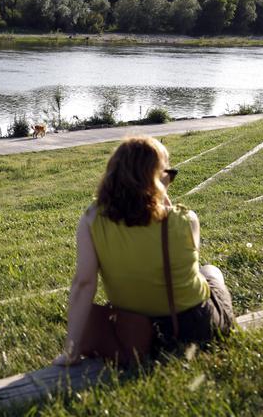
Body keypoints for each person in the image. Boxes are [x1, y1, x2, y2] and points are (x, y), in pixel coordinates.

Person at [54, 136, 235, 366]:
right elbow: (184, 267)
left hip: (135, 333)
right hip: (195, 328)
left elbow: (84, 283)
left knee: (203, 271)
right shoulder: (187, 220)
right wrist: (162, 193)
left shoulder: (91, 220)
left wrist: (71, 351)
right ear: (159, 181)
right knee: (210, 271)